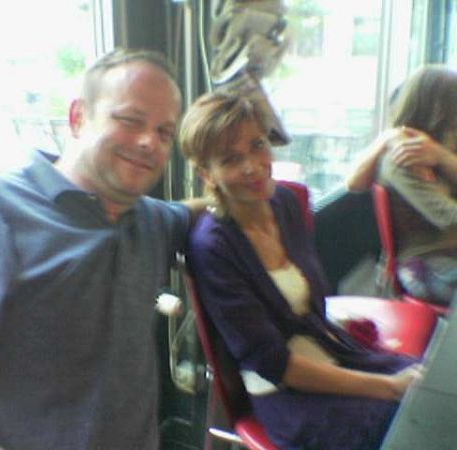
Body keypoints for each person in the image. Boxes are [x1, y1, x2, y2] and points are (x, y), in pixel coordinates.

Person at [0, 48, 203, 450]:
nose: (149, 142)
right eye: (130, 121)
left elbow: (202, 211)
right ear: (78, 118)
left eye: (164, 133)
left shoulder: (150, 221)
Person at [179, 91, 422, 449]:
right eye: (231, 159)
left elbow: (308, 306)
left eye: (257, 145)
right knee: (412, 423)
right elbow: (274, 365)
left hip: (330, 352)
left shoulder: (284, 203)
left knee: (432, 387)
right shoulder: (213, 247)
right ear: (207, 174)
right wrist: (389, 388)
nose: (252, 166)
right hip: (287, 394)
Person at [347, 65, 457, 306]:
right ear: (440, 111)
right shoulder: (403, 159)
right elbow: (449, 219)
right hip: (427, 265)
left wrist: (442, 156)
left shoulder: (440, 151)